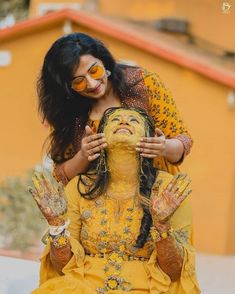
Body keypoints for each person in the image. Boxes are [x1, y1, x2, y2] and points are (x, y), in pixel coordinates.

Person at [29, 107, 200, 294]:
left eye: (134, 121)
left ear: (150, 139)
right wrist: (56, 225)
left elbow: (175, 272)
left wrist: (162, 225)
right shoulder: (79, 186)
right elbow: (63, 267)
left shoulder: (169, 190)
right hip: (84, 288)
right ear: (99, 137)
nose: (124, 122)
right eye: (115, 119)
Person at [37, 33, 193, 185]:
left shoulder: (143, 84)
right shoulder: (70, 113)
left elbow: (183, 141)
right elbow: (61, 175)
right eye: (79, 81)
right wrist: (83, 155)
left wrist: (164, 148)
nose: (91, 84)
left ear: (103, 61)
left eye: (94, 71)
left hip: (160, 201)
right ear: (68, 88)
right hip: (102, 209)